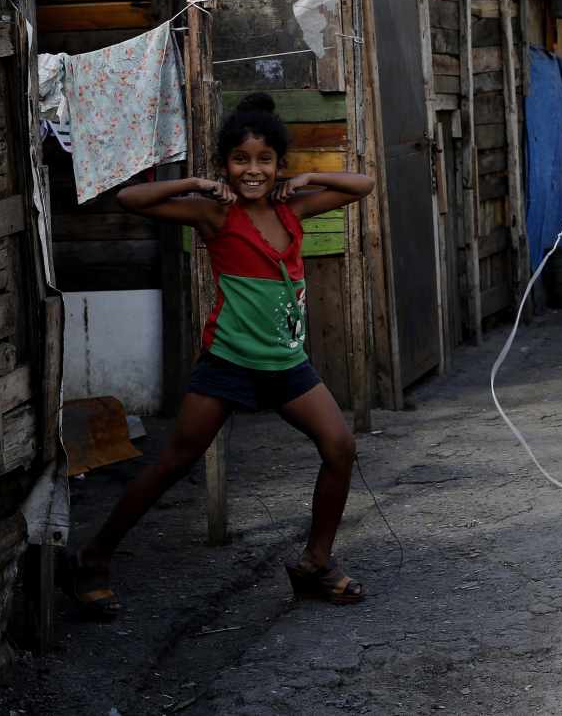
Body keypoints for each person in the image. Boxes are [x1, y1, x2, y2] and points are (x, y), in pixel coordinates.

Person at [69, 94, 376, 618]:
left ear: (279, 165)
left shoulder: (292, 207)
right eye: (240, 160)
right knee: (173, 461)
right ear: (225, 165)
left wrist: (304, 181)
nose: (252, 170)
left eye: (264, 161)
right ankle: (93, 559)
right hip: (229, 362)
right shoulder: (215, 216)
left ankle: (314, 564)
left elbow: (362, 185)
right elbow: (130, 201)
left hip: (286, 363)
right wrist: (192, 182)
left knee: (340, 446)